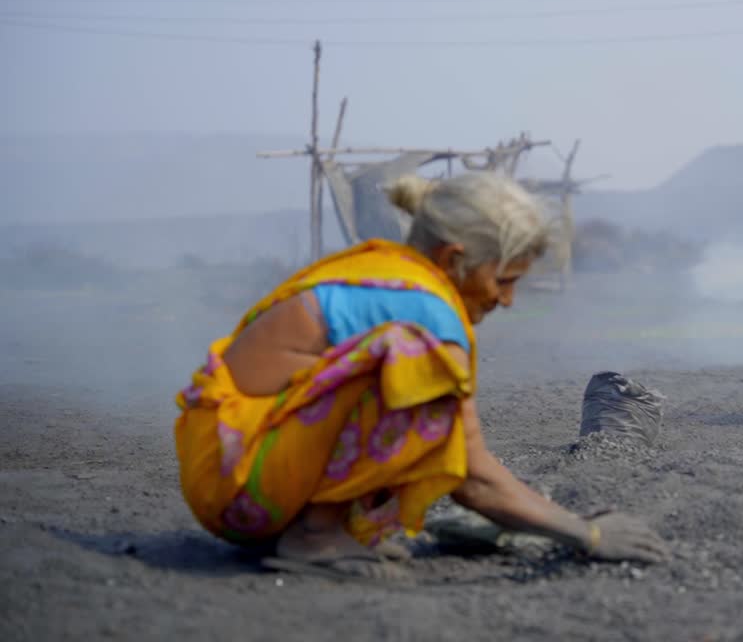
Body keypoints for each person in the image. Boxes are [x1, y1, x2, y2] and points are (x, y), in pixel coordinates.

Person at [175, 172, 667, 579]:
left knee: (429, 402)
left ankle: (333, 525)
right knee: (413, 371)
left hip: (230, 467)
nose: (507, 300)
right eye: (505, 280)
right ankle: (317, 535)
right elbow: (474, 475)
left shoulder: (390, 271)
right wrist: (586, 533)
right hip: (241, 487)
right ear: (454, 259)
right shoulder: (425, 314)